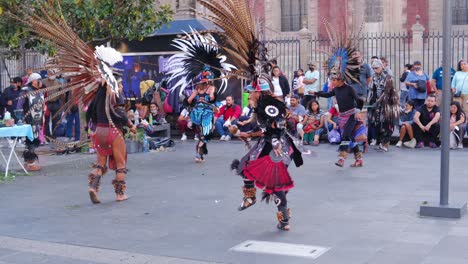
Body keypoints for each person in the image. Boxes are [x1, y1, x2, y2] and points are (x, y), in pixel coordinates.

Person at [86, 80, 136, 203]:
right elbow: (120, 113)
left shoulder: (98, 97)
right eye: (119, 84)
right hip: (114, 132)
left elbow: (90, 114)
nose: (122, 86)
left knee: (100, 164)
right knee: (121, 165)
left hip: (100, 131)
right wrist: (131, 125)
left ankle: (93, 188)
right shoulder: (115, 96)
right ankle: (120, 195)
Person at [368, 59, 400, 152]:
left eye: (377, 68)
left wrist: (378, 101)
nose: (375, 70)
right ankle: (381, 142)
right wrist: (369, 100)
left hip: (388, 103)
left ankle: (386, 144)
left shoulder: (388, 77)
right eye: (373, 68)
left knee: (387, 123)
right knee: (378, 123)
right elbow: (371, 89)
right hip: (378, 104)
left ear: (382, 67)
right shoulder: (374, 77)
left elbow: (387, 92)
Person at [17, 73, 44, 171]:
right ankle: (30, 163)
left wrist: (43, 116)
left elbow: (41, 106)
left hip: (37, 120)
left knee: (34, 140)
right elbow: (19, 106)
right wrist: (20, 119)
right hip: (27, 119)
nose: (41, 82)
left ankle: (29, 162)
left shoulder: (40, 91)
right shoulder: (25, 91)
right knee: (29, 141)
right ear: (33, 81)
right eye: (39, 80)